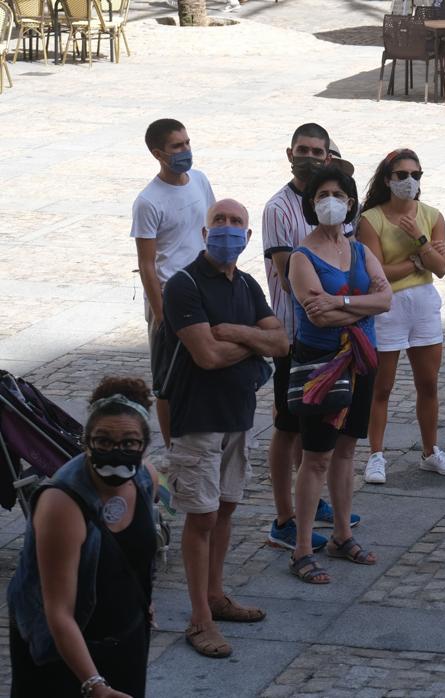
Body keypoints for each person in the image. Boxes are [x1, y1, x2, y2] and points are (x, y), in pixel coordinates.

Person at [162, 199, 287, 657]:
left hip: (237, 416)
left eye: (237, 223)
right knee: (202, 517)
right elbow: (206, 356)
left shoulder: (249, 285)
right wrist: (254, 342)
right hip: (197, 419)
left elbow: (281, 342)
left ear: (249, 237)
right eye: (221, 221)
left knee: (227, 509)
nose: (228, 230)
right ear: (204, 231)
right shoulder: (185, 285)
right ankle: (200, 619)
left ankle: (216, 594)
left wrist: (232, 332)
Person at [8, 378, 160, 697]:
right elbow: (58, 611)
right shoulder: (62, 503)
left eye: (129, 442)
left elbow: (140, 549)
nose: (116, 453)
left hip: (125, 638)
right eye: (103, 442)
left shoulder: (146, 479)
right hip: (63, 654)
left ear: (144, 445)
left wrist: (143, 600)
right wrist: (94, 684)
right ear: (86, 442)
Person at [287, 167, 393, 584]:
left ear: (351, 202)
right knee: (315, 457)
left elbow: (385, 299)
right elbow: (316, 311)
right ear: (312, 203)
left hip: (361, 360)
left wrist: (343, 301)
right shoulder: (301, 257)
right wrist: (361, 303)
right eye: (322, 194)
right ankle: (300, 547)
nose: (331, 200)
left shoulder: (361, 251)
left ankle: (342, 534)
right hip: (323, 365)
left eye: (339, 194)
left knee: (347, 451)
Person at [261, 122, 349, 554]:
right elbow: (286, 272)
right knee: (287, 426)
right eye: (302, 149)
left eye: (317, 150)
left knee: (320, 429)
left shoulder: (334, 201)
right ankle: (283, 517)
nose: (309, 157)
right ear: (289, 152)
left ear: (329, 156)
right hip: (295, 334)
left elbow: (349, 262)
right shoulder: (279, 208)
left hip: (333, 337)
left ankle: (311, 504)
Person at [357, 149, 445, 482]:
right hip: (389, 307)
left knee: (428, 383)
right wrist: (419, 260)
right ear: (388, 179)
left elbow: (442, 269)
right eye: (401, 175)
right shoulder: (370, 220)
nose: (409, 181)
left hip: (424, 306)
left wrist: (419, 237)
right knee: (382, 387)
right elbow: (378, 274)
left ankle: (431, 451)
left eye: (415, 175)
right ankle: (376, 454)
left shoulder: (431, 216)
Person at [131, 118, 215, 448]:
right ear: (158, 153)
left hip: (204, 289)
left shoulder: (200, 180)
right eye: (177, 146)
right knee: (167, 378)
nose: (185, 151)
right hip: (169, 295)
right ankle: (170, 446)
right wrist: (161, 312)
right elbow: (147, 263)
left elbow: (210, 229)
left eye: (187, 143)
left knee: (207, 365)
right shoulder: (148, 201)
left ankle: (205, 434)